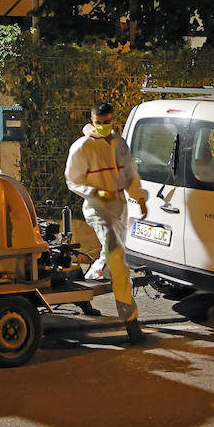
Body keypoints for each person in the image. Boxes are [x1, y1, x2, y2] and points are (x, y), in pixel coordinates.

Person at [64, 101, 150, 343]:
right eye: (98, 123)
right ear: (92, 121)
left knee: (109, 255)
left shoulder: (119, 144)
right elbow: (72, 180)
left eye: (106, 122)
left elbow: (130, 174)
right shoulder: (81, 148)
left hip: (119, 209)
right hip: (97, 210)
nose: (102, 127)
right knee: (118, 259)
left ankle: (82, 291)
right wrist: (95, 193)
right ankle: (131, 319)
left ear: (113, 120)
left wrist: (139, 198)